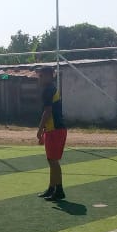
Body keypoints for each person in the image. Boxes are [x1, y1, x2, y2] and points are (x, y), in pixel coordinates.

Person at [35, 65, 67, 201]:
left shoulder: (48, 90)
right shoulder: (51, 89)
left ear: (49, 76)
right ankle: (51, 188)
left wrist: (39, 129)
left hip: (55, 129)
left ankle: (59, 190)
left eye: (41, 76)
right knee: (51, 160)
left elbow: (47, 112)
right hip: (54, 129)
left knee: (53, 161)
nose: (39, 78)